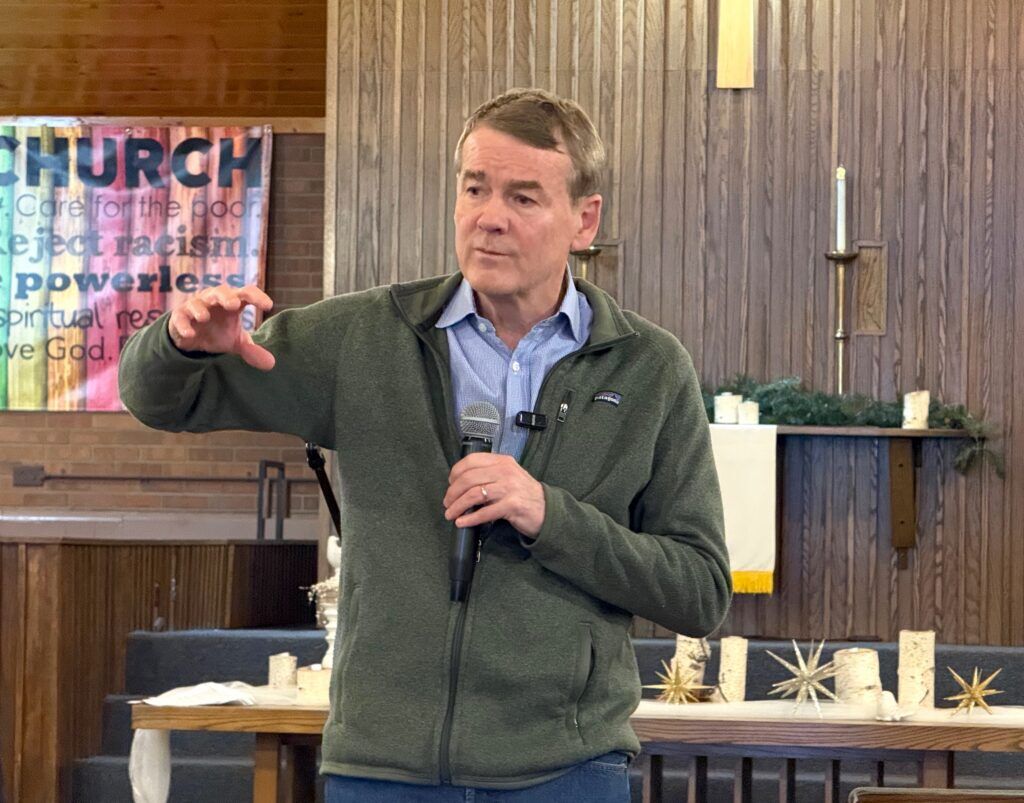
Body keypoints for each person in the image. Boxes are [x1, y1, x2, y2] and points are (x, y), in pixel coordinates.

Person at [119, 88, 731, 802]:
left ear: (583, 220)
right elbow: (161, 399)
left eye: (525, 198)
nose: (489, 217)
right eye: (476, 188)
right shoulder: (367, 337)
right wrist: (178, 343)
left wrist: (548, 515)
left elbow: (699, 589)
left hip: (563, 770)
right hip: (381, 769)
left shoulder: (647, 368)